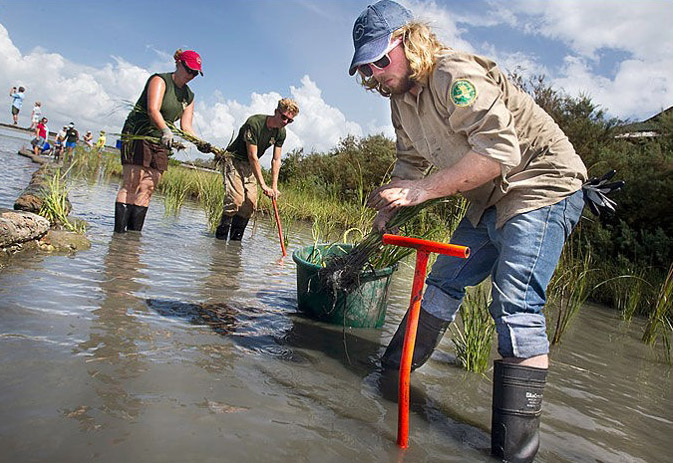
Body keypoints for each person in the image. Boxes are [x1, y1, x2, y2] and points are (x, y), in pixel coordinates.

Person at [349, 2, 588, 462]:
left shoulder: (453, 75)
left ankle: (513, 454)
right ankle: (389, 378)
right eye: (367, 66)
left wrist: (422, 191)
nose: (376, 73)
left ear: (410, 41)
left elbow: (498, 153)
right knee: (440, 282)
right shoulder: (401, 102)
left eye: (382, 59)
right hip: (488, 198)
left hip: (540, 181)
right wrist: (389, 210)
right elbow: (409, 163)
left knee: (514, 304)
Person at [114, 49, 209, 233]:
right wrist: (165, 130)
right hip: (139, 133)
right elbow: (153, 110)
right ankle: (118, 237)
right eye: (189, 70)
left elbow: (186, 126)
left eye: (195, 73)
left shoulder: (189, 96)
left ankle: (132, 240)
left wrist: (200, 142)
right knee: (132, 183)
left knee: (148, 187)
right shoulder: (160, 80)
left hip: (161, 141)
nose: (191, 75)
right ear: (179, 64)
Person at [214, 98, 299, 241]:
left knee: (250, 204)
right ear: (276, 112)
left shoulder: (281, 133)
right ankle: (220, 243)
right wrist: (263, 185)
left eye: (289, 120)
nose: (285, 122)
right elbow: (252, 155)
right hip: (233, 159)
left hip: (249, 165)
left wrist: (274, 186)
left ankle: (235, 245)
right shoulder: (254, 123)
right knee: (235, 200)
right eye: (283, 117)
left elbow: (276, 160)